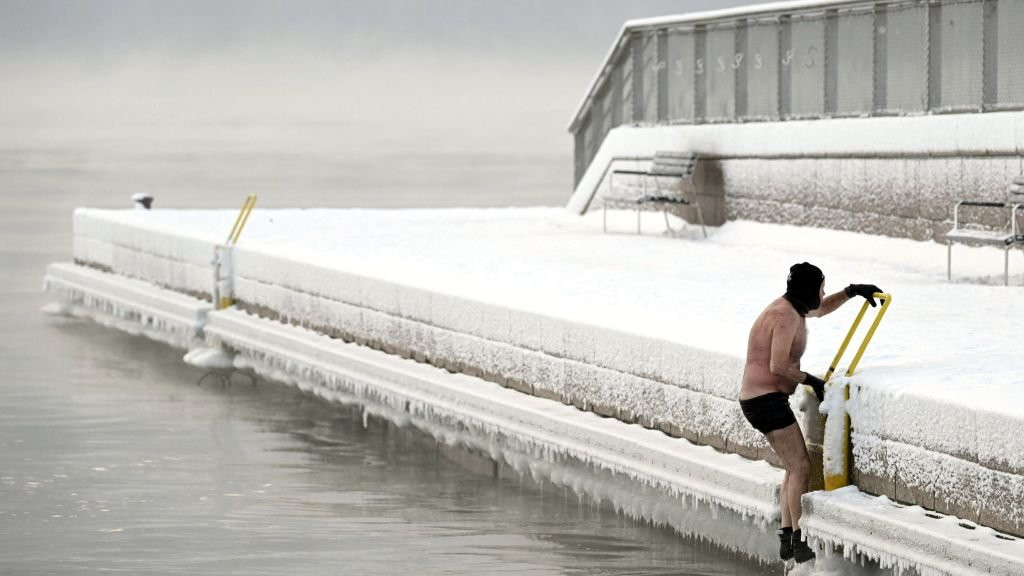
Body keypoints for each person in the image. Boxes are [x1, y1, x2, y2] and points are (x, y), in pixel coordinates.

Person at [738, 262, 881, 563]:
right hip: (765, 400)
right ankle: (797, 539)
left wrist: (852, 292)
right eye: (821, 287)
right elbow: (777, 367)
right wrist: (812, 381)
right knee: (801, 467)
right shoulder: (784, 316)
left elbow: (821, 308)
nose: (824, 293)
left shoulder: (794, 308)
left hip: (766, 399)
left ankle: (788, 538)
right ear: (808, 289)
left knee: (793, 467)